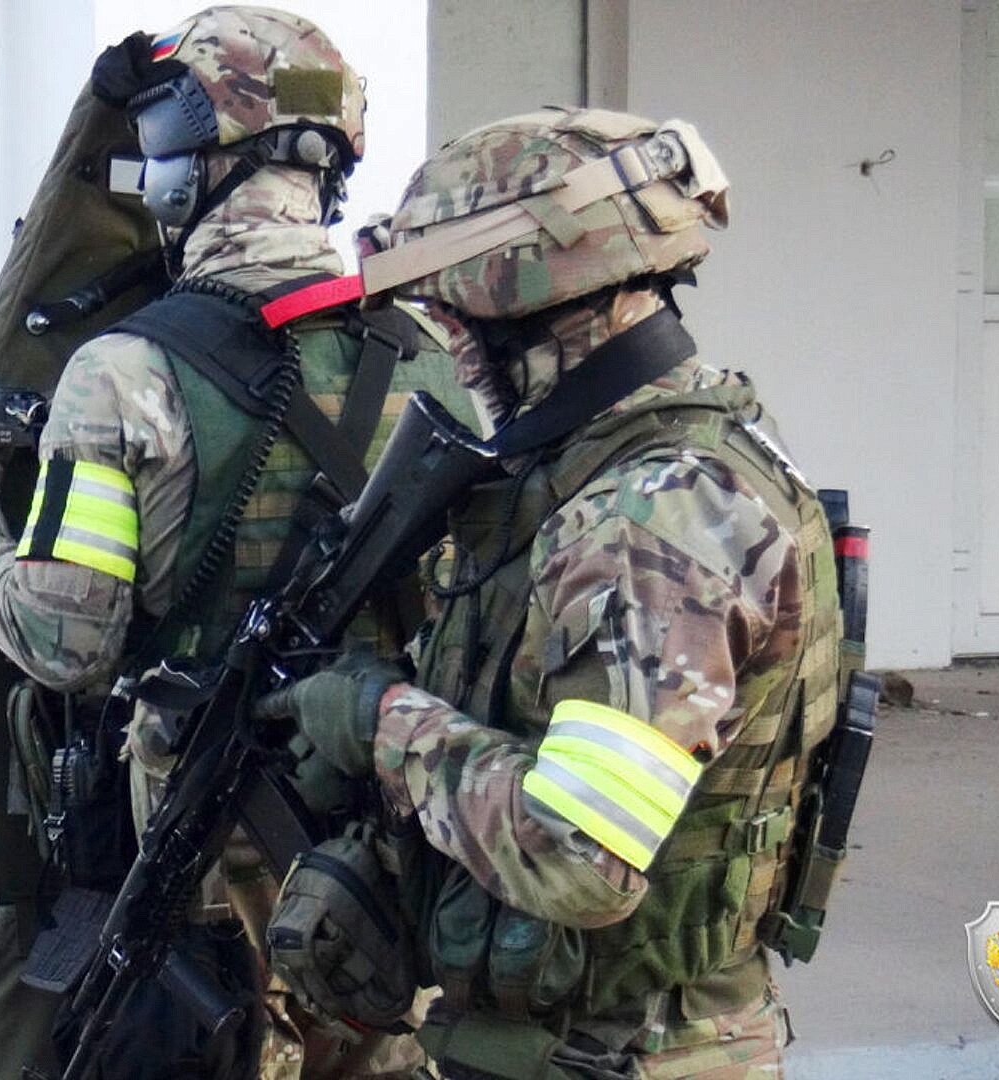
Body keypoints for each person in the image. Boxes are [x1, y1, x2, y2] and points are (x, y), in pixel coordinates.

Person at [0, 7, 468, 1078]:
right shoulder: (435, 353)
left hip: (203, 900)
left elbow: (66, 641)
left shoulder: (122, 374)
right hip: (392, 885)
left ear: (177, 165)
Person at [258, 108, 844, 1079]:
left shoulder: (646, 519)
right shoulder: (657, 458)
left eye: (454, 324)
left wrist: (383, 723)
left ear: (531, 311)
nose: (452, 355)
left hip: (619, 1052)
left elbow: (582, 857)